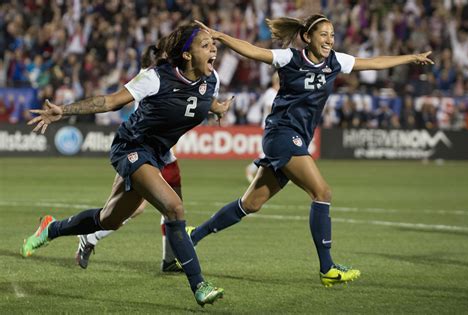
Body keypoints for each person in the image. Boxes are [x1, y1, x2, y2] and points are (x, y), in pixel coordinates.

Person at [192, 15, 433, 287]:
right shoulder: (290, 59)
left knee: (250, 204)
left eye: (332, 34)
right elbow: (254, 51)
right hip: (282, 135)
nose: (330, 39)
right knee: (322, 192)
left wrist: (411, 58)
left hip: (295, 139)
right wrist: (221, 36)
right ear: (308, 37)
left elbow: (374, 63)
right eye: (324, 34)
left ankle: (192, 236)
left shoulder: (336, 61)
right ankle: (327, 268)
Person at [21, 23, 233, 306]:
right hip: (131, 147)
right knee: (174, 206)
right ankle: (199, 285)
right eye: (205, 45)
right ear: (186, 55)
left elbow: (203, 101)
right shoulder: (155, 78)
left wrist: (217, 108)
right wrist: (65, 110)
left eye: (213, 45)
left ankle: (50, 229)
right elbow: (111, 101)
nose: (214, 48)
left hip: (156, 154)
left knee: (109, 219)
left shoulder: (213, 80)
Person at [75, 45, 184, 273]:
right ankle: (91, 236)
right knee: (134, 209)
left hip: (166, 156)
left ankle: (169, 260)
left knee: (172, 209)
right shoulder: (150, 78)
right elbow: (117, 102)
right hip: (142, 152)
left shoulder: (162, 77)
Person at [245, 72, 279, 183]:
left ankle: (282, 174)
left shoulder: (276, 92)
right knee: (267, 152)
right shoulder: (271, 93)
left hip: (275, 125)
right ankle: (251, 169)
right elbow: (270, 108)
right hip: (270, 125)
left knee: (278, 151)